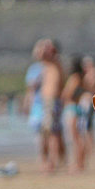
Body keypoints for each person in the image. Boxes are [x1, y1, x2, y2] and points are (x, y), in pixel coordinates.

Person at [38, 39, 66, 174]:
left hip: (53, 101)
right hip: (47, 102)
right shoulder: (48, 64)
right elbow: (38, 55)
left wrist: (45, 45)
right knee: (51, 132)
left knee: (52, 133)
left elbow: (39, 54)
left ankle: (52, 163)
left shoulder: (55, 61)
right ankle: (56, 161)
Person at [61, 56, 91, 172]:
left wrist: (63, 97)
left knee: (75, 138)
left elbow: (68, 94)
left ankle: (77, 164)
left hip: (72, 107)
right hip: (77, 107)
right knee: (79, 137)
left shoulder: (74, 78)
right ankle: (80, 163)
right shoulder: (82, 78)